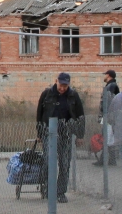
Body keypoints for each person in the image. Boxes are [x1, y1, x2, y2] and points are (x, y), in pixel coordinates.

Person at [36, 72, 86, 203]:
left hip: (66, 133)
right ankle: (47, 188)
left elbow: (80, 115)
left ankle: (60, 192)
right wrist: (39, 133)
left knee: (64, 163)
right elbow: (39, 114)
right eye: (61, 84)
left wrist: (80, 135)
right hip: (48, 132)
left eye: (65, 85)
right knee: (48, 161)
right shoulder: (47, 94)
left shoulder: (73, 95)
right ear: (56, 81)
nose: (62, 88)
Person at [97, 70, 120, 166]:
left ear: (109, 75)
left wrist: (105, 113)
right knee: (109, 137)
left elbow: (108, 101)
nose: (104, 76)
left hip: (109, 115)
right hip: (110, 115)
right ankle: (111, 160)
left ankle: (104, 160)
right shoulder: (111, 85)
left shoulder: (111, 86)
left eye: (105, 74)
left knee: (107, 137)